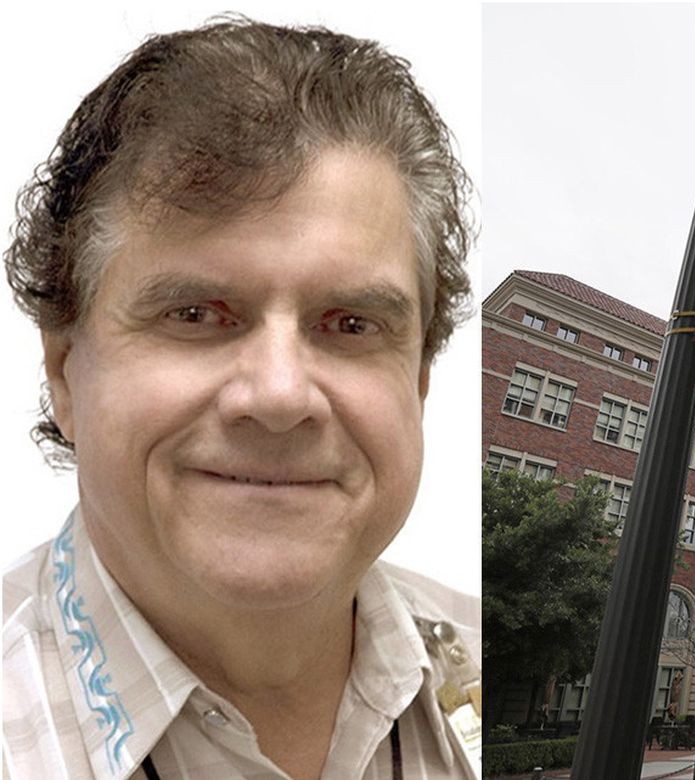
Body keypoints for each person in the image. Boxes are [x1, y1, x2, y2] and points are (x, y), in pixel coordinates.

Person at [2, 17, 479, 780]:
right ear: (64, 372)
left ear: (418, 383)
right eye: (194, 315)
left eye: (351, 324)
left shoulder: (479, 655)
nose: (281, 394)